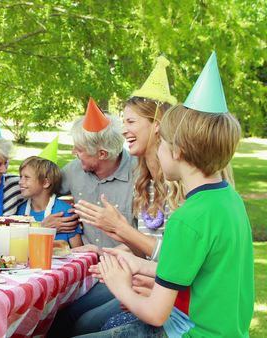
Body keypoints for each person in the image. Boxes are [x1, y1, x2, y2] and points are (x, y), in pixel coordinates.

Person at [87, 52, 254, 337]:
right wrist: (137, 263)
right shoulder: (229, 201)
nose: (160, 149)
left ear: (177, 151)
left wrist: (120, 285)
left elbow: (156, 314)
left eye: (162, 142)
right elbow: (199, 272)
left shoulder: (187, 218)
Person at [48, 98, 137, 337]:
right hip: (84, 271)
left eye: (79, 150)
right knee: (54, 313)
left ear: (102, 153)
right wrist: (48, 222)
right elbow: (39, 190)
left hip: (125, 270)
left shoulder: (139, 175)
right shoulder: (75, 171)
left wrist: (100, 251)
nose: (73, 153)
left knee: (82, 322)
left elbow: (148, 244)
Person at [17, 156, 82, 247]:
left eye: (27, 177)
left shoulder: (65, 212)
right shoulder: (21, 210)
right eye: (21, 177)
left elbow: (78, 250)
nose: (20, 182)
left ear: (45, 183)